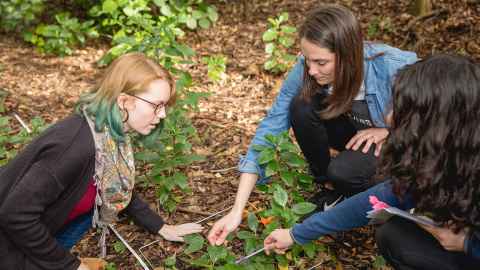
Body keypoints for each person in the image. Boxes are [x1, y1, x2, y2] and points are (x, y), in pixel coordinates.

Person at [208, 4, 417, 246]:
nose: (311, 70)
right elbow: (273, 122)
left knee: (345, 173)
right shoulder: (309, 68)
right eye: (307, 60)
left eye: (321, 62)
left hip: (393, 143)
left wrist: (391, 130)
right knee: (301, 105)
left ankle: (364, 196)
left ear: (349, 54)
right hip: (353, 130)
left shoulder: (394, 67)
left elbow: (441, 118)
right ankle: (328, 184)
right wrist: (236, 209)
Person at [263, 54, 480, 270]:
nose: (389, 119)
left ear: (441, 123)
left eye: (406, 111)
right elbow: (378, 198)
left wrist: (467, 243)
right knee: (395, 236)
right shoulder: (445, 157)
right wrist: (296, 234)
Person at [0, 52, 203, 270]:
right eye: (156, 105)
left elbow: (115, 186)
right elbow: (15, 214)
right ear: (124, 101)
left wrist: (161, 227)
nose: (162, 115)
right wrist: (70, 265)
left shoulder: (107, 135)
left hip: (32, 236)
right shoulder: (75, 146)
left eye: (165, 106)